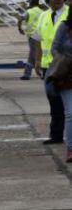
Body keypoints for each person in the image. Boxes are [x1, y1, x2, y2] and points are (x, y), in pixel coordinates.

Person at [39, 0, 70, 145]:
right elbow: (37, 39)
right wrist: (37, 61)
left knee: (68, 104)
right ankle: (56, 135)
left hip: (65, 66)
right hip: (48, 67)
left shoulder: (69, 14)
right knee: (54, 103)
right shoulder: (43, 16)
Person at [47, 11, 72, 163]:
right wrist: (64, 60)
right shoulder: (65, 27)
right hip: (67, 75)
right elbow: (54, 48)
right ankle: (70, 148)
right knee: (70, 113)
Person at [21, 0, 44, 80]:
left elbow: (21, 18)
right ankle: (27, 74)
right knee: (33, 54)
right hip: (41, 35)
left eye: (29, 2)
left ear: (31, 3)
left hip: (33, 36)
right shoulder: (42, 12)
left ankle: (41, 73)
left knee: (34, 55)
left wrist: (20, 28)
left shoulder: (29, 12)